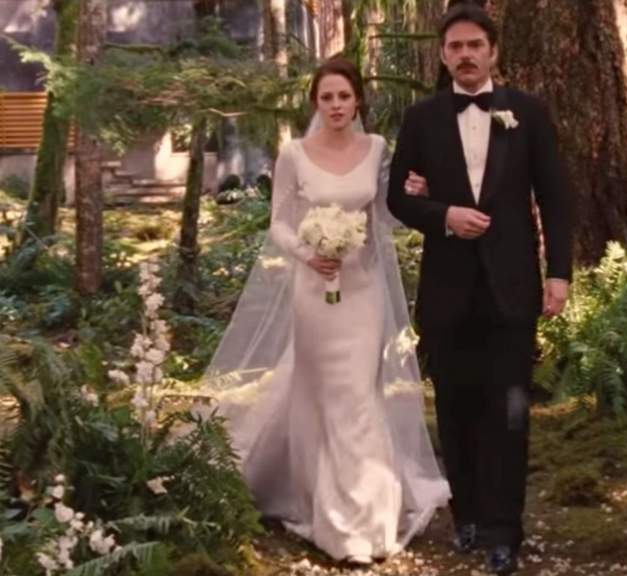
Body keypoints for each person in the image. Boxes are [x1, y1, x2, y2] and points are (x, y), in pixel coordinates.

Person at [203, 57, 450, 564]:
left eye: (344, 96)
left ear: (357, 100)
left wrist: (417, 193)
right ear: (315, 102)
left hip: (362, 292)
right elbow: (278, 223)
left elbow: (386, 212)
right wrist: (308, 252)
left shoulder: (376, 148)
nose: (336, 105)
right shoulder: (294, 154)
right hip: (314, 292)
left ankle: (367, 517)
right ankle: (325, 506)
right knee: (322, 395)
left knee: (357, 394)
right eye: (326, 97)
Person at [388, 5, 572, 575]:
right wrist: (443, 215)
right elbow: (398, 198)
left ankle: (504, 530)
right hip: (447, 292)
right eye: (455, 46)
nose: (465, 55)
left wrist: (559, 273)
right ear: (443, 56)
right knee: (455, 407)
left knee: (510, 413)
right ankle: (465, 515)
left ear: (493, 51)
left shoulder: (528, 113)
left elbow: (555, 197)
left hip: (511, 289)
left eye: (474, 45)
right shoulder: (421, 118)